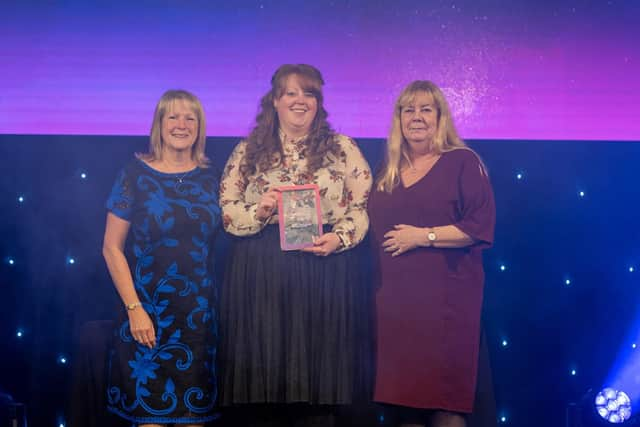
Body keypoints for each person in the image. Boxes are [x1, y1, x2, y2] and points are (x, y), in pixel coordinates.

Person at [218, 64, 373, 426]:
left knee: (317, 395)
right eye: (290, 93)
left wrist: (340, 237)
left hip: (323, 270)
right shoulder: (248, 151)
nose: (299, 101)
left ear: (318, 102)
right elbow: (227, 211)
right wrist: (261, 209)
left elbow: (362, 207)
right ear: (274, 101)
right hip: (262, 272)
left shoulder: (342, 148)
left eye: (308, 93)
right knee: (264, 389)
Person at [367, 80, 496, 427]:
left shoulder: (462, 162)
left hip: (446, 308)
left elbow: (478, 226)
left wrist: (422, 237)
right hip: (397, 309)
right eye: (408, 110)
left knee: (445, 405)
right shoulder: (388, 174)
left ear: (440, 117)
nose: (417, 117)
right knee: (405, 405)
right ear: (398, 120)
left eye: (426, 109)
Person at [102, 89, 221, 426]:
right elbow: (111, 248)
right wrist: (134, 309)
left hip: (199, 322)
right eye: (173, 116)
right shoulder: (134, 174)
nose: (181, 125)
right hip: (146, 319)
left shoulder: (213, 178)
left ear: (199, 126)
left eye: (190, 117)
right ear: (159, 124)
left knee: (193, 418)